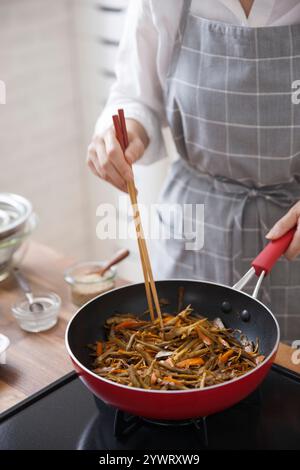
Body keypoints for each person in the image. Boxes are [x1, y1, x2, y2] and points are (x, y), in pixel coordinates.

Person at [87, 0, 300, 342]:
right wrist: (124, 131)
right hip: (192, 231)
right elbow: (135, 96)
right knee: (173, 361)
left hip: (293, 234)